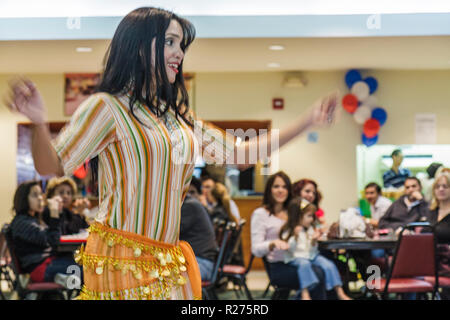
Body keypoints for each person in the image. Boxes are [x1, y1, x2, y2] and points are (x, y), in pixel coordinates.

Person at [5, 7, 338, 300]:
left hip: (168, 257)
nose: (178, 52)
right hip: (120, 257)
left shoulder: (178, 118)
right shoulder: (106, 107)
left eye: (181, 44)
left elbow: (240, 154)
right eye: (169, 42)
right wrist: (37, 123)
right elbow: (53, 165)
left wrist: (306, 121)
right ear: (137, 47)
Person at [251, 171, 328, 299]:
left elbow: (311, 223)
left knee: (328, 266)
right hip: (279, 266)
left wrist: (318, 231)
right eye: (276, 186)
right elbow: (256, 249)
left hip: (300, 259)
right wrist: (272, 243)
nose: (280, 190)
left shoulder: (293, 211)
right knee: (318, 274)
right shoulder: (260, 214)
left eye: (284, 187)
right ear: (269, 189)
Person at [8, 181, 82, 286]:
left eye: (40, 194)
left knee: (86, 263)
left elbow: (55, 235)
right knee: (86, 270)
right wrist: (54, 214)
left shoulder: (32, 219)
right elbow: (53, 240)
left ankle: (63, 279)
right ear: (24, 199)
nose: (40, 198)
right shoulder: (22, 223)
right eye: (35, 195)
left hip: (47, 263)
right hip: (40, 269)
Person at [280, 197, 352, 300]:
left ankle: (339, 291)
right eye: (309, 216)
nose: (312, 219)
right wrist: (295, 236)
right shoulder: (288, 230)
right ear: (297, 216)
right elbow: (289, 249)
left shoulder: (309, 228)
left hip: (310, 255)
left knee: (329, 265)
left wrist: (314, 240)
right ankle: (305, 292)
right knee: (304, 264)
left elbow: (312, 248)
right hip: (296, 257)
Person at [179, 189, 217, 282]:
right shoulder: (191, 203)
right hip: (202, 260)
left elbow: (171, 234)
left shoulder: (189, 206)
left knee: (163, 274)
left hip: (202, 263)